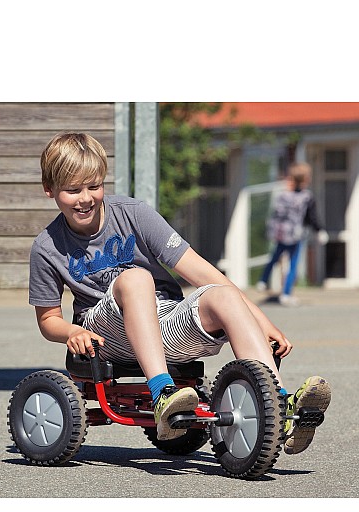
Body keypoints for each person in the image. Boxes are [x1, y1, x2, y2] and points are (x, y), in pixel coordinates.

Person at [29, 132, 331, 454]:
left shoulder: (133, 213)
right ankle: (163, 393)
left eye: (94, 186)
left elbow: (204, 273)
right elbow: (48, 320)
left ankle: (278, 405)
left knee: (222, 293)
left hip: (162, 321)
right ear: (50, 189)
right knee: (136, 279)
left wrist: (262, 322)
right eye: (73, 190)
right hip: (105, 335)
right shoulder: (47, 247)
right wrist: (71, 332)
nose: (86, 198)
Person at [256, 162, 329, 306]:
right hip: (295, 235)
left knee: (274, 258)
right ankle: (286, 294)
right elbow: (311, 217)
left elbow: (276, 215)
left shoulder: (283, 195)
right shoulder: (307, 196)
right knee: (292, 265)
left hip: (281, 233)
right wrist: (319, 230)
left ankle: (263, 280)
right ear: (306, 179)